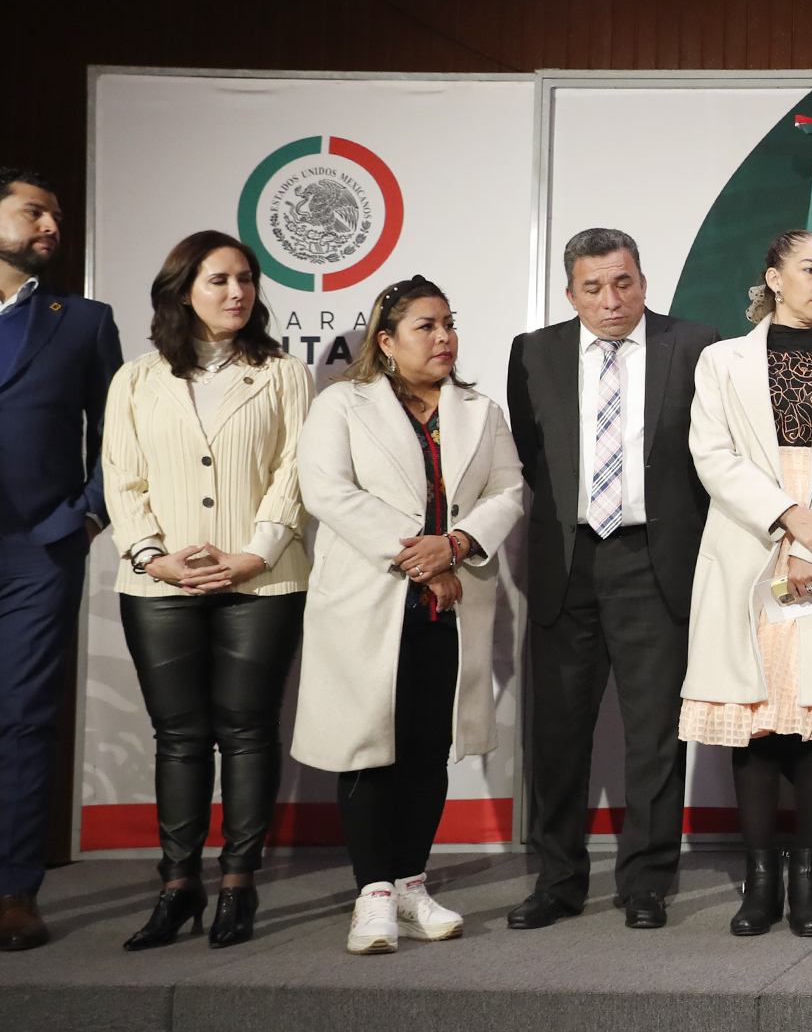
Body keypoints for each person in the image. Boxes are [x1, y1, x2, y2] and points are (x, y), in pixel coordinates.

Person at [293, 276, 524, 956]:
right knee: (367, 745)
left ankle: (410, 884)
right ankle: (372, 894)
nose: (444, 337)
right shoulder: (342, 403)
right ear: (387, 341)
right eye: (426, 326)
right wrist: (423, 554)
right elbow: (326, 491)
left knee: (427, 749)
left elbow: (510, 490)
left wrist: (457, 544)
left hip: (449, 607)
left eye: (449, 323)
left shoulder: (480, 409)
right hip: (369, 600)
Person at [679, 231, 812, 939]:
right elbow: (711, 454)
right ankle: (759, 876)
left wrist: (809, 535)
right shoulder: (721, 360)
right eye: (810, 270)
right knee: (756, 717)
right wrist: (783, 516)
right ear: (773, 277)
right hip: (750, 534)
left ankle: (808, 875)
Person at [103, 232, 312, 950]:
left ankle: (238, 884)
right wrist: (152, 556)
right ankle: (178, 885)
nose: (237, 292)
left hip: (264, 580)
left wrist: (255, 553)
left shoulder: (284, 372)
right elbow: (121, 478)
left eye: (246, 279)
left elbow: (294, 470)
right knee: (179, 737)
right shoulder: (136, 378)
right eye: (219, 279)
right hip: (158, 585)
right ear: (182, 289)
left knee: (248, 731)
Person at [505, 229, 718, 932]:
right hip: (567, 563)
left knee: (655, 733)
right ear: (571, 294)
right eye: (593, 287)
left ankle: (647, 881)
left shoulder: (696, 345)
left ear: (643, 282)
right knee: (557, 733)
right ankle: (557, 879)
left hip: (654, 559)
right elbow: (533, 457)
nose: (611, 299)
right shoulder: (533, 353)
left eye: (623, 282)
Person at [0, 167, 122, 952]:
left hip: (38, 550)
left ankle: (14, 889)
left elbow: (117, 431)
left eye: (57, 216)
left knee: (24, 716)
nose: (51, 225)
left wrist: (87, 515)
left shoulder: (82, 320)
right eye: (34, 211)